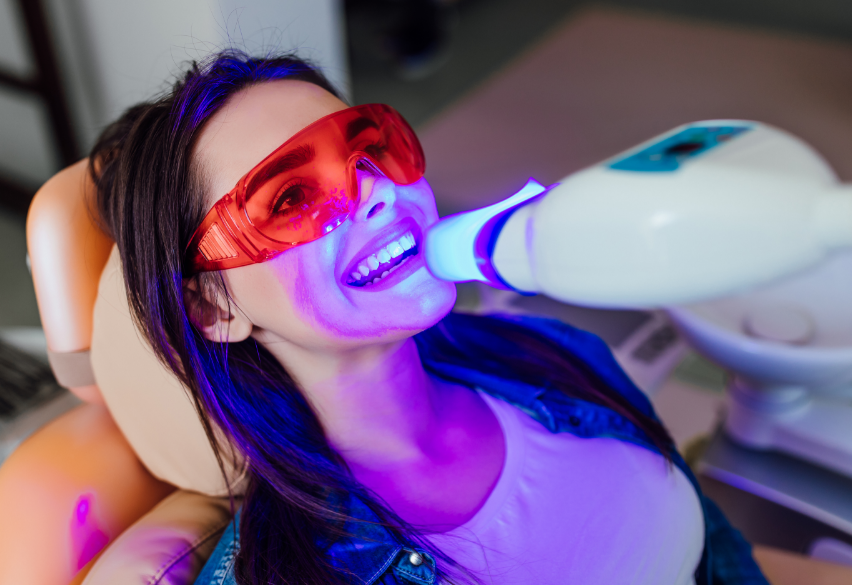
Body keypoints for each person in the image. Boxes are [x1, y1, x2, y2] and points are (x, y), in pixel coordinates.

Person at [89, 50, 768, 585]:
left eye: (370, 148)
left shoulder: (551, 350)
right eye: (293, 196)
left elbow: (714, 548)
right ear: (213, 306)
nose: (379, 192)